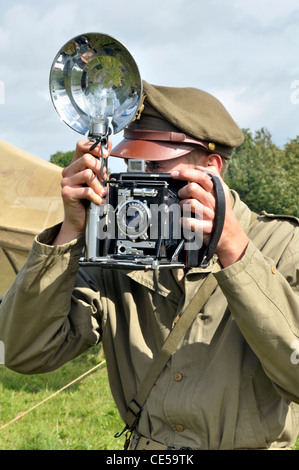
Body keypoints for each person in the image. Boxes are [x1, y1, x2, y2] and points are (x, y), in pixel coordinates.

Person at [0, 81, 298, 450]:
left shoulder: (284, 246)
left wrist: (235, 251)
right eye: (131, 164)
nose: (137, 179)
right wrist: (70, 232)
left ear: (212, 168)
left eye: (155, 164)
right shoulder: (116, 251)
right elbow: (25, 352)